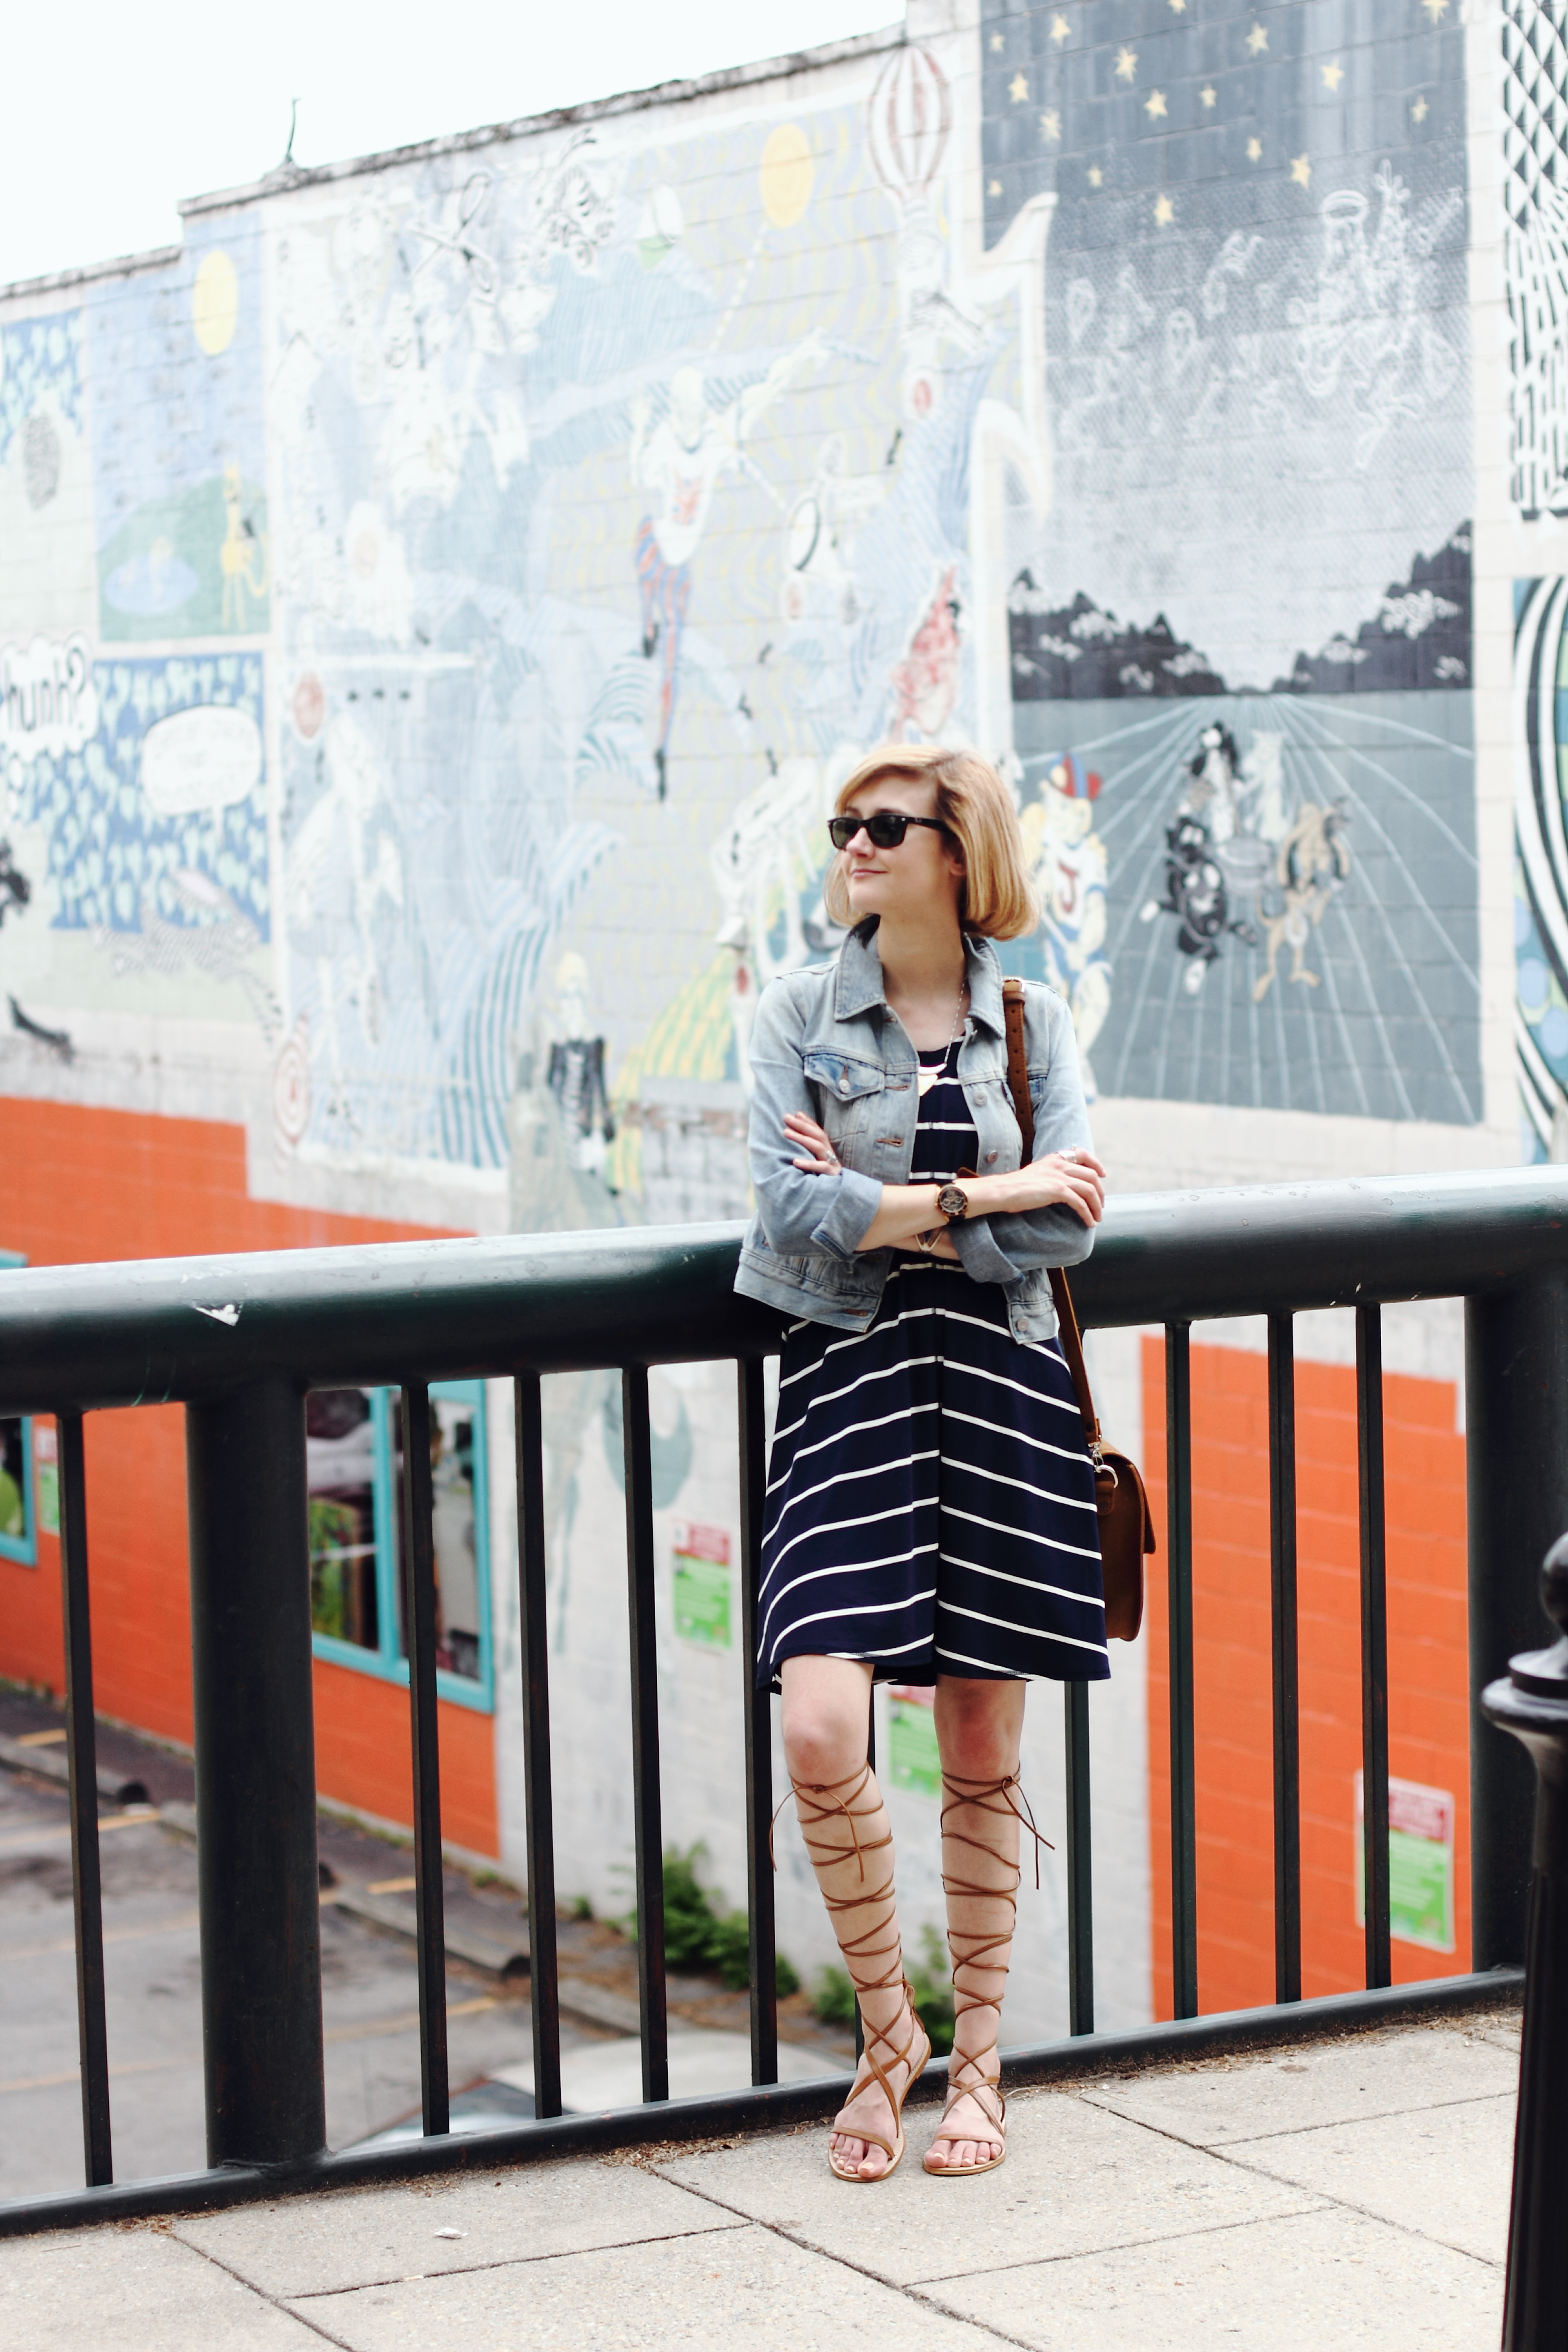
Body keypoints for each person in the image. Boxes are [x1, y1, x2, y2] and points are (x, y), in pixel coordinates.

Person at [734, 742, 1108, 2183]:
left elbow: (1071, 1228)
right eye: (844, 828)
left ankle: (980, 2063)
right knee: (825, 1724)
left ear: (959, 852)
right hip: (851, 1389)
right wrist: (994, 1189)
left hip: (1001, 1390)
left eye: (884, 826)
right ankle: (887, 2032)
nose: (854, 847)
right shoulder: (793, 1015)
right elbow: (787, 1206)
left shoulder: (1033, 1018)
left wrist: (889, 1202)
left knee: (977, 1749)